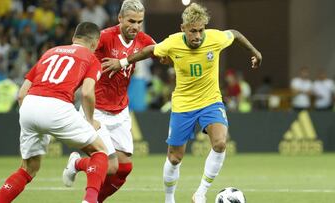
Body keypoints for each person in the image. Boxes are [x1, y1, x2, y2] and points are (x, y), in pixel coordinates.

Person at [101, 3, 262, 203]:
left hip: (211, 101)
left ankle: (201, 193)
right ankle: (170, 199)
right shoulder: (172, 43)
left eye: (201, 30)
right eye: (193, 31)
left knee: (220, 143)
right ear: (183, 28)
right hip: (183, 105)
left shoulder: (215, 38)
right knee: (175, 158)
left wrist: (256, 52)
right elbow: (150, 50)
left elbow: (235, 34)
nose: (197, 36)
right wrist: (122, 62)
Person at [0, 22, 108, 203]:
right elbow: (87, 92)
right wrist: (91, 120)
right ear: (95, 43)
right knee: (100, 151)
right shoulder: (92, 59)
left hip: (30, 105)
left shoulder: (50, 52)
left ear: (73, 39)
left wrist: (34, 116)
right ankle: (90, 201)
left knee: (28, 168)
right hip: (57, 106)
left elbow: (21, 93)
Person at [62, 1, 156, 202]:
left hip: (120, 111)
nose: (136, 26)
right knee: (110, 165)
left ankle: (83, 175)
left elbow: (161, 53)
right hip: (95, 111)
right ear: (120, 18)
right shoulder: (104, 37)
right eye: (131, 21)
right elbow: (79, 55)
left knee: (123, 169)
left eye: (140, 22)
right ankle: (86, 189)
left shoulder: (143, 39)